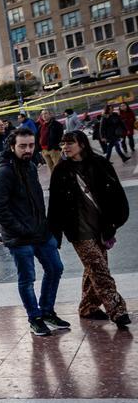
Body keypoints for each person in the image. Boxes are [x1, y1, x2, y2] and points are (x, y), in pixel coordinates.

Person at [0, 128, 70, 337]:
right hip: (19, 237)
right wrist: (20, 228)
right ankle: (34, 317)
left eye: (31, 145)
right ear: (12, 147)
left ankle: (47, 311)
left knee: (55, 268)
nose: (28, 150)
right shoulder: (5, 172)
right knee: (27, 278)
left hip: (41, 233)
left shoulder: (31, 166)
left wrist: (46, 227)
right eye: (22, 146)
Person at [47, 130, 130, 327]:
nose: (65, 147)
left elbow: (116, 193)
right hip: (78, 229)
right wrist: (54, 235)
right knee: (98, 268)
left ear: (82, 144)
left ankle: (88, 307)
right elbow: (55, 205)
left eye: (70, 143)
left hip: (101, 226)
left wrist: (114, 222)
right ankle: (117, 310)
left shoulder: (100, 164)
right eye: (63, 143)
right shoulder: (61, 170)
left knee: (93, 267)